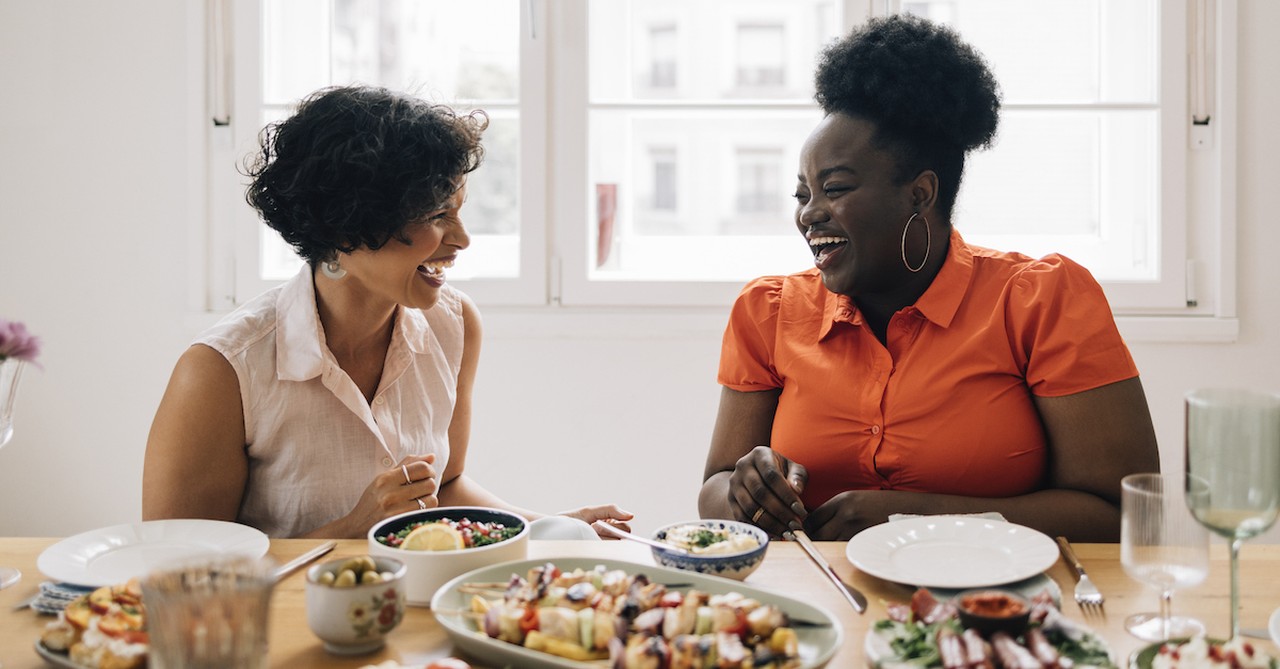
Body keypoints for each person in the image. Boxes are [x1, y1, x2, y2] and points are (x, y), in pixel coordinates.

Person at [698, 15, 1158, 543]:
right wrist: (748, 490)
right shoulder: (768, 311)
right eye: (803, 194)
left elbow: (1121, 514)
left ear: (919, 194)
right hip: (816, 605)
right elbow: (713, 488)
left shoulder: (1039, 301)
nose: (809, 214)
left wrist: (914, 522)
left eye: (836, 188)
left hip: (995, 604)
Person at [143, 85, 632, 538]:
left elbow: (446, 486)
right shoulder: (222, 371)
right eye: (438, 216)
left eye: (458, 213)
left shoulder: (455, 324)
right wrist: (354, 528)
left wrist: (549, 529)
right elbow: (180, 569)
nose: (462, 240)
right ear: (346, 227)